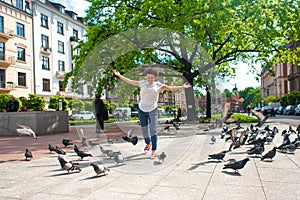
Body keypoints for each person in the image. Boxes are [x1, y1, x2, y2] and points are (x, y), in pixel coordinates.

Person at [113, 68, 191, 158]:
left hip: (153, 109)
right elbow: (129, 81)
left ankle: (153, 151)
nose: (150, 79)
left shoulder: (158, 84)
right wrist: (119, 75)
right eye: (148, 77)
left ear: (154, 77)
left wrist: (182, 87)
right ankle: (148, 143)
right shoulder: (142, 83)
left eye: (152, 78)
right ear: (146, 77)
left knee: (153, 130)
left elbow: (170, 88)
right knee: (145, 131)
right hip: (142, 109)